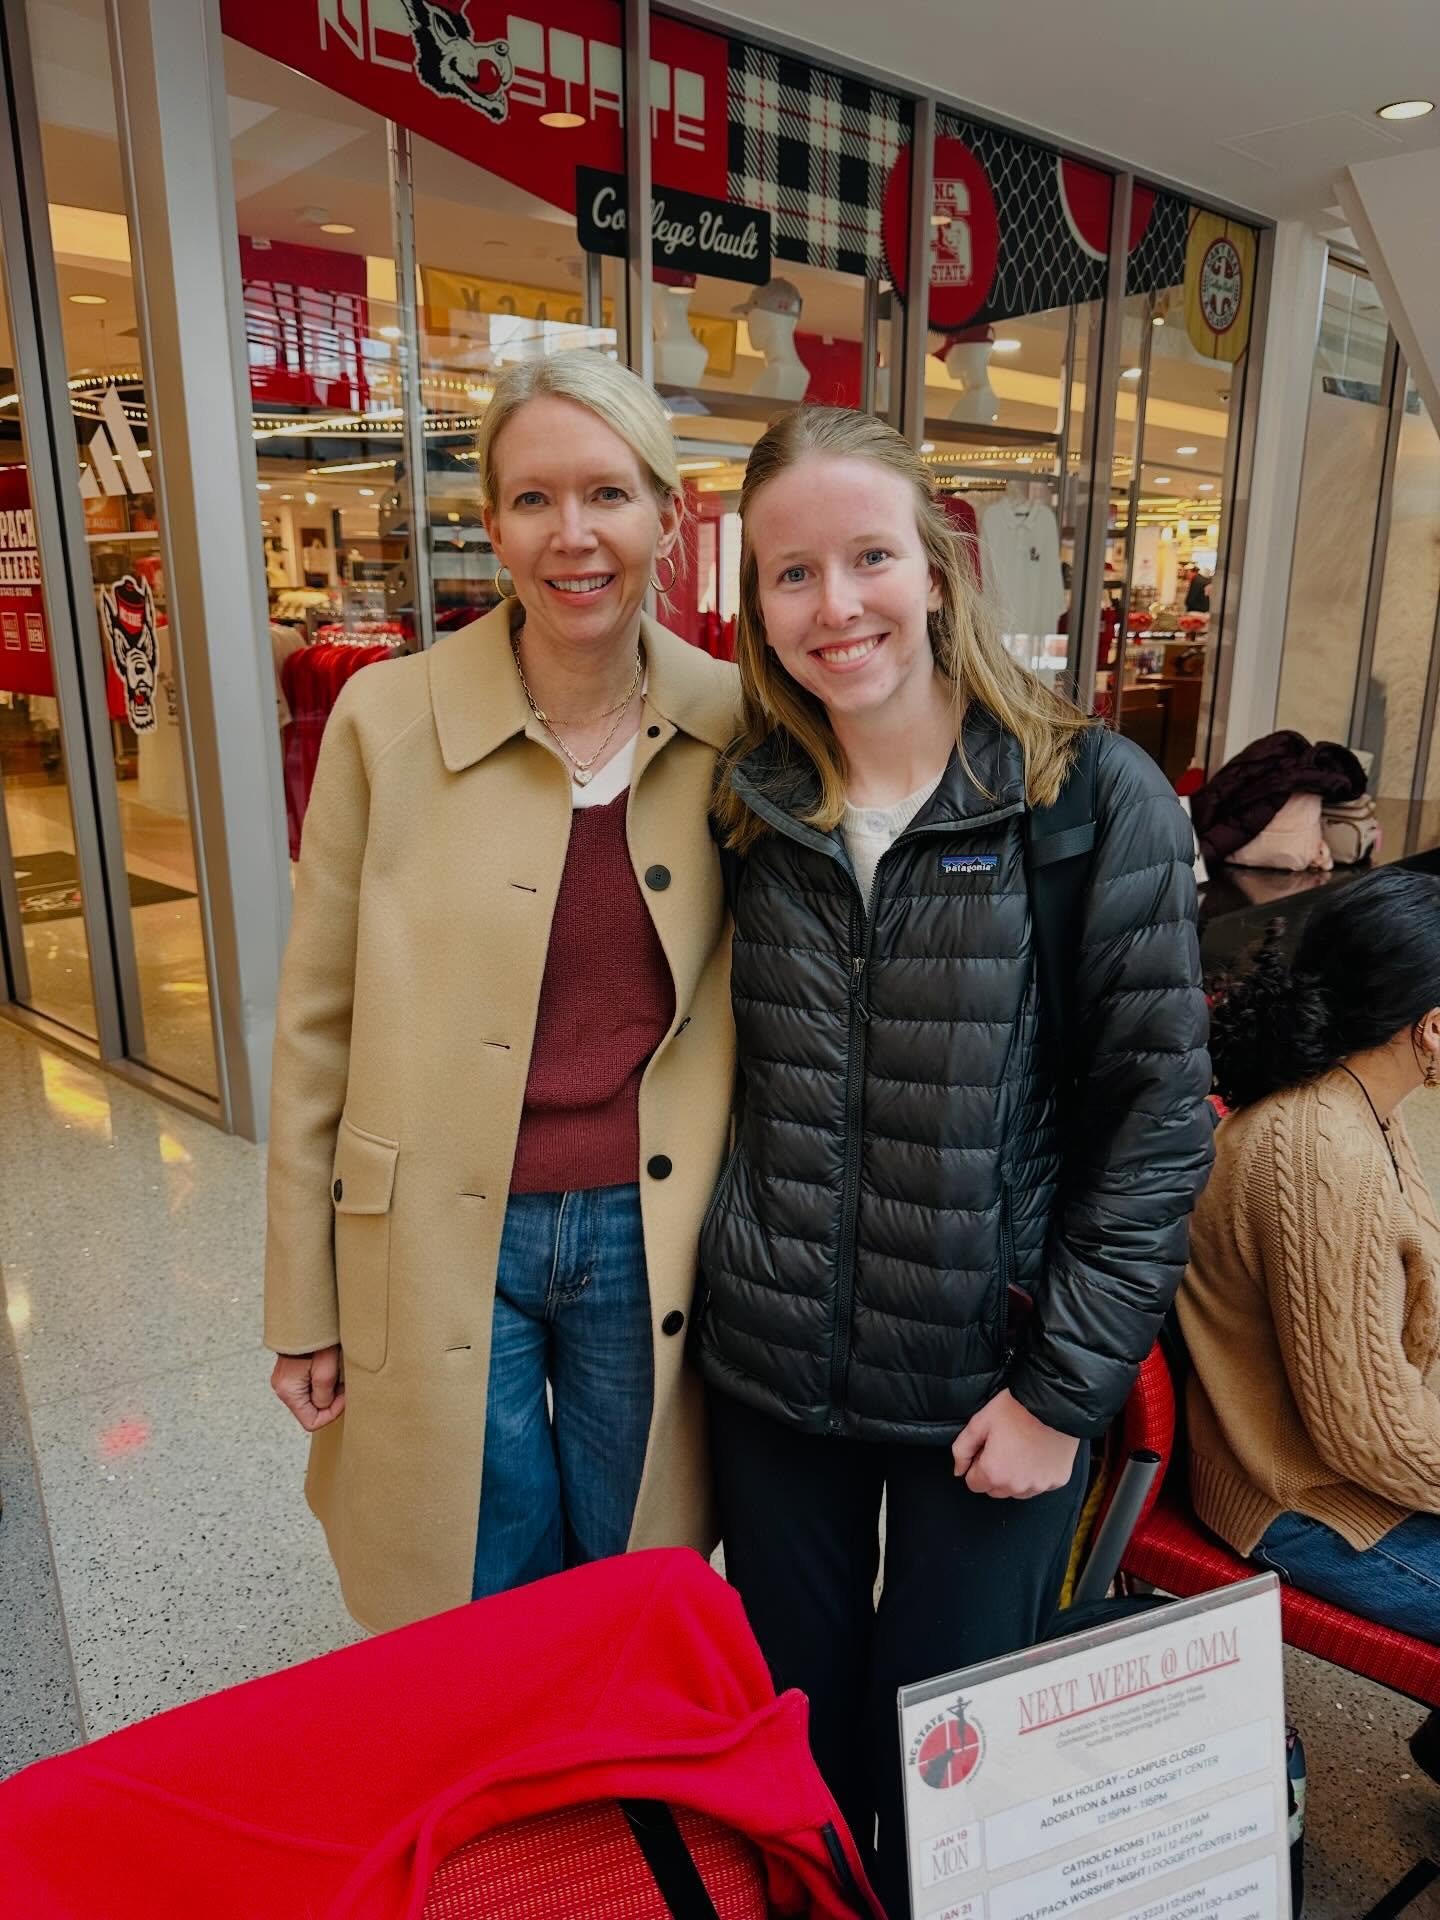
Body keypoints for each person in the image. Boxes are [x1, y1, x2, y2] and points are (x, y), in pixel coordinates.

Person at [698, 404, 1214, 1910]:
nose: (835, 605)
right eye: (792, 575)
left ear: (935, 567)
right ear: (756, 607)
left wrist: (1064, 1395)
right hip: (774, 1373)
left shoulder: (1079, 797)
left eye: (868, 557)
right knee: (792, 1750)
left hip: (992, 1395)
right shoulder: (749, 801)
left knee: (953, 1770)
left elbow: (1160, 1122)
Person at [264, 351, 738, 1633]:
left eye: (608, 495)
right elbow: (316, 1029)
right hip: (431, 1226)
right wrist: (299, 1299)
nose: (572, 536)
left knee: (636, 1561)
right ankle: (505, 1820)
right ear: (490, 521)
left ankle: (618, 1818)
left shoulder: (743, 728)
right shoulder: (384, 720)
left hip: (654, 1232)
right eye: (533, 499)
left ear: (667, 516)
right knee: (476, 1571)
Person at [1179, 867, 1440, 1642]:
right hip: (1310, 1503)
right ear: (1430, 1026)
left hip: (1358, 1476)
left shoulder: (1361, 1109)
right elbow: (1372, 1438)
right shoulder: (1319, 1152)